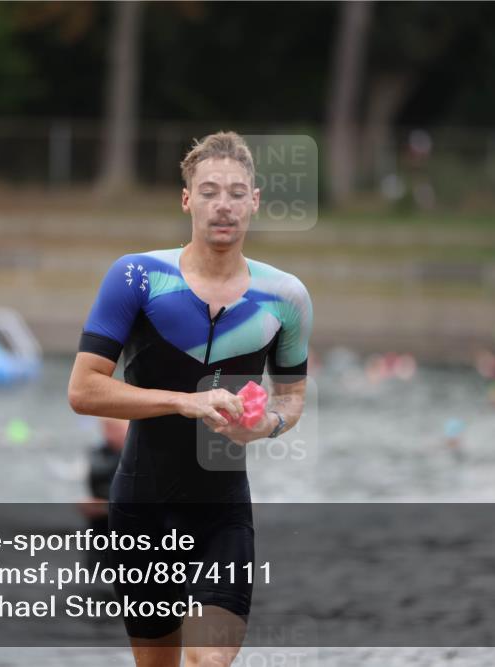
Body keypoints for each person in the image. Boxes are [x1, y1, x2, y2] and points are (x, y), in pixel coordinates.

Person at [68, 131, 313, 667]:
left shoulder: (286, 297)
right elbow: (83, 390)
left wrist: (268, 423)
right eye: (208, 191)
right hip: (142, 507)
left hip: (221, 512)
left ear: (255, 200)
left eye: (234, 191)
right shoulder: (137, 276)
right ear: (187, 200)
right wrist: (186, 402)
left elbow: (292, 398)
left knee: (208, 661)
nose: (222, 204)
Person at [78, 417, 129, 535]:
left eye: (116, 428)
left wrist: (104, 508)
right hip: (101, 528)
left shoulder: (138, 458)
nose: (111, 433)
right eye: (108, 428)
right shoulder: (96, 454)